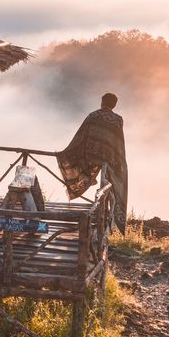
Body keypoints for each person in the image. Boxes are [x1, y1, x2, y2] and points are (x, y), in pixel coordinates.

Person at [56, 93, 128, 233]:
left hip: (90, 156)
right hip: (109, 159)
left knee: (101, 184)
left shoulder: (92, 116)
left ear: (102, 102)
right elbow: (118, 143)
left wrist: (65, 153)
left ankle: (90, 185)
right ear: (114, 105)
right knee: (113, 181)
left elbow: (80, 136)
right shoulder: (118, 120)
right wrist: (116, 158)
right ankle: (108, 215)